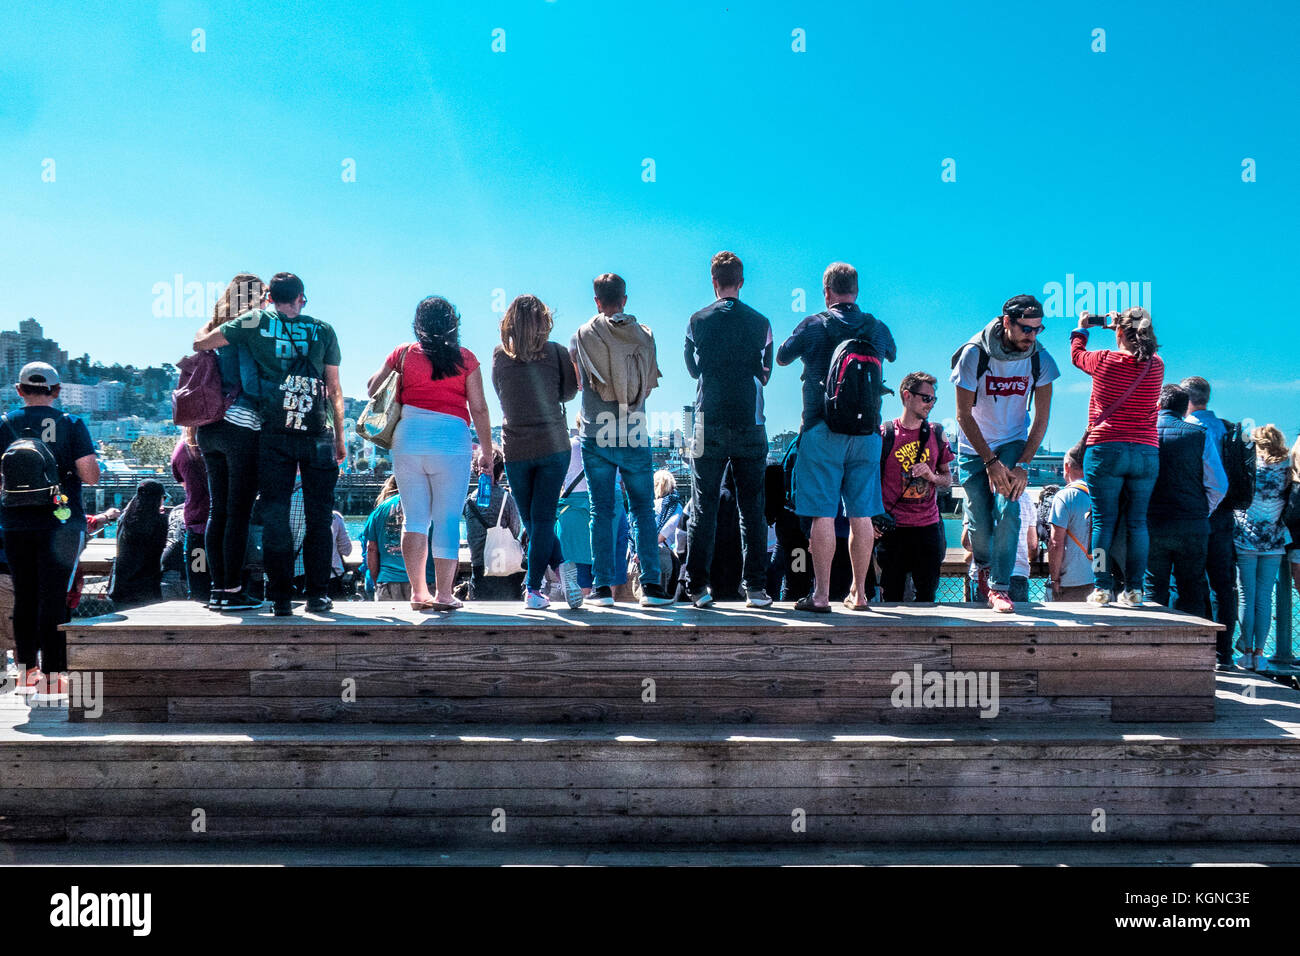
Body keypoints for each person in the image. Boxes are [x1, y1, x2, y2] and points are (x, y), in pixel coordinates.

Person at [194, 272, 344, 617]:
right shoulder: (324, 329)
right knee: (318, 517)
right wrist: (339, 436)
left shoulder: (255, 320)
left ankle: (279, 599)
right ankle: (318, 596)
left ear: (270, 297)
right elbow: (334, 388)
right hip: (316, 431)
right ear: (301, 298)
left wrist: (208, 326)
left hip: (274, 433)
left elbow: (202, 345)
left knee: (276, 515)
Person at [777, 262, 896, 612]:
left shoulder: (814, 324)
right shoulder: (875, 326)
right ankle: (860, 595)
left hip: (821, 429)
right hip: (866, 434)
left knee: (822, 515)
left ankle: (821, 596)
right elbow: (891, 353)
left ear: (826, 292)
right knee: (862, 514)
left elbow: (783, 356)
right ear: (856, 291)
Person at [367, 296, 492, 611]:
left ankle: (418, 593)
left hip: (408, 439)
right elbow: (478, 408)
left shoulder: (403, 354)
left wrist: (399, 371)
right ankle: (445, 595)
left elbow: (371, 388)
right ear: (454, 324)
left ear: (418, 325)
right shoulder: (466, 359)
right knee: (447, 519)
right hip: (452, 441)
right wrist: (487, 451)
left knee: (415, 520)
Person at [951, 294, 1058, 612]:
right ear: (1007, 322)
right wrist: (988, 461)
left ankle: (999, 587)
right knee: (980, 525)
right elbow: (963, 415)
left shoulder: (1041, 359)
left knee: (1009, 508)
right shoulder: (974, 354)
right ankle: (983, 566)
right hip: (974, 447)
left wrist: (1024, 462)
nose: (1032, 336)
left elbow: (1041, 419)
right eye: (1026, 329)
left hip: (1013, 443)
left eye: (1038, 329)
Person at [570, 273, 672, 607]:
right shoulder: (644, 336)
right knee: (643, 509)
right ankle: (652, 587)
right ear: (624, 299)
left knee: (601, 510)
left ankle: (601, 589)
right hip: (632, 432)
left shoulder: (582, 337)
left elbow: (577, 386)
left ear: (596, 300)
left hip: (596, 434)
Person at [682, 251, 774, 608]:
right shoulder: (761, 322)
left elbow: (693, 370)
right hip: (750, 422)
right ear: (741, 281)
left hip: (708, 421)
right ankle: (755, 587)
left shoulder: (696, 321)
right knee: (752, 509)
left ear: (713, 280)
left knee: (703, 505)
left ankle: (698, 587)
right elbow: (765, 373)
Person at [1, 362, 98, 697]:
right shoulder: (71, 424)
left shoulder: (5, 424)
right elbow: (90, 476)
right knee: (53, 597)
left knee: (25, 596)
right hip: (61, 524)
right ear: (57, 391)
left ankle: (27, 672)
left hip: (15, 523)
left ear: (19, 390)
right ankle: (54, 677)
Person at [492, 294, 583, 610]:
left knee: (533, 520)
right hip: (553, 445)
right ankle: (547, 579)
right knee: (541, 519)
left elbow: (502, 396)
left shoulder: (499, 357)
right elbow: (569, 393)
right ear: (544, 321)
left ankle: (541, 581)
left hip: (516, 448)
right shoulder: (557, 352)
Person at [1072, 307, 1164, 607]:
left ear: (1119, 332)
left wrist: (1083, 328)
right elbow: (1138, 353)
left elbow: (1076, 355)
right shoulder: (1157, 365)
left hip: (1106, 448)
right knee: (1138, 523)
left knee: (1102, 522)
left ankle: (1101, 588)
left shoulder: (1104, 360)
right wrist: (1122, 329)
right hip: (1146, 451)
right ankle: (1135, 590)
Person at [195, 273, 266, 612]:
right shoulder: (246, 328)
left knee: (217, 512)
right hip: (240, 423)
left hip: (207, 428)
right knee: (238, 513)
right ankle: (234, 590)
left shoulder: (210, 329)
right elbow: (250, 382)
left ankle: (217, 589)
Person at [1145, 385, 1228, 614]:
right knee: (1191, 589)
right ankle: (1193, 647)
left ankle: (1154, 644)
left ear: (1157, 405)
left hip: (1152, 523)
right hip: (1191, 523)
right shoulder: (1198, 435)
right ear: (1185, 410)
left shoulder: (1144, 434)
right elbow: (1219, 485)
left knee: (1153, 587)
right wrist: (1203, 510)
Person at [874, 371, 954, 603]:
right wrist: (872, 518)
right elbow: (870, 482)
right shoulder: (885, 434)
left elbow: (947, 479)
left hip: (927, 527)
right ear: (907, 396)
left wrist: (931, 476)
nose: (931, 403)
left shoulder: (936, 433)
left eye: (933, 399)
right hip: (893, 529)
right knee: (891, 597)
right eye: (926, 398)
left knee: (927, 596)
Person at [1182, 375, 1239, 664]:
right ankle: (1224, 652)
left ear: (1186, 399)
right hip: (1225, 515)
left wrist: (1204, 508)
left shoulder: (1188, 429)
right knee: (1223, 584)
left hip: (1195, 514)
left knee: (1188, 581)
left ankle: (1196, 649)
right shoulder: (1229, 428)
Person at [1233, 426, 1292, 671]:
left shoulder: (1250, 467)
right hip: (1274, 539)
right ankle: (1260, 654)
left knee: (1246, 596)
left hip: (1246, 537)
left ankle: (1246, 653)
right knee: (1264, 597)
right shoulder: (1287, 469)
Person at [463, 445, 524, 601]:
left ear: (476, 470)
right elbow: (515, 530)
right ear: (500, 471)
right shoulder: (505, 498)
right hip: (504, 563)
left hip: (479, 564)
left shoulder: (469, 501)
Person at [361, 477, 437, 601]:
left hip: (388, 580)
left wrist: (377, 580)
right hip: (425, 582)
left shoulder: (381, 509)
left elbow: (371, 549)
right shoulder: (430, 507)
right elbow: (443, 547)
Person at [108, 479, 168, 608]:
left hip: (120, 588)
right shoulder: (160, 521)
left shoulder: (124, 519)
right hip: (147, 589)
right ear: (158, 498)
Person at [1047, 442, 1094, 602]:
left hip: (1070, 581)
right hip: (1099, 580)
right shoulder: (1101, 495)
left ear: (1067, 467)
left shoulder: (1065, 496)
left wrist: (1055, 579)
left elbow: (1056, 542)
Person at [171, 428, 211, 603]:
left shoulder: (181, 451)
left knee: (198, 586)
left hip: (197, 529)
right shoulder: (220, 445)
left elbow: (184, 484)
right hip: (226, 530)